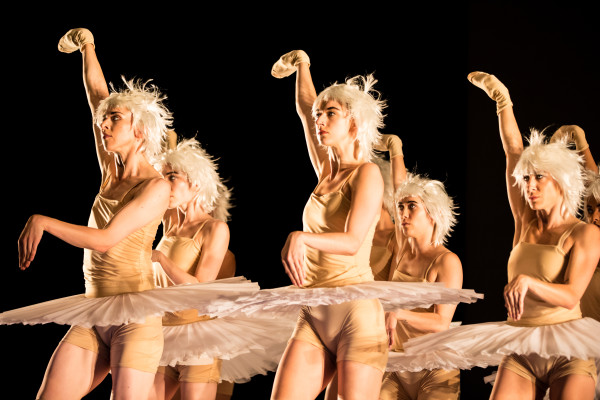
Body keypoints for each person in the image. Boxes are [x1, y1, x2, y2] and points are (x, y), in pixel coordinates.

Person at [399, 71, 600, 400]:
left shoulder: (585, 233)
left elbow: (570, 295)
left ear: (561, 181)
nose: (529, 187)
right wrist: (501, 101)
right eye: (526, 179)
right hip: (522, 344)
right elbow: (512, 151)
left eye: (538, 179)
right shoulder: (524, 220)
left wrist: (529, 282)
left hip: (567, 349)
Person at [18, 28, 173, 400]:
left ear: (138, 129)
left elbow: (105, 241)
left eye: (113, 120)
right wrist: (88, 45)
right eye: (104, 120)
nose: (103, 124)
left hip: (133, 320)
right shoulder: (111, 169)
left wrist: (43, 221)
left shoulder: (157, 187)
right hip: (94, 309)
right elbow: (96, 95)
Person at [270, 49, 389, 400]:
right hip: (314, 312)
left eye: (330, 114)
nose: (320, 120)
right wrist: (302, 64)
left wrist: (301, 238)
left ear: (353, 123)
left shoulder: (366, 173)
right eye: (319, 115)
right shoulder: (326, 172)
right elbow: (305, 110)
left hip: (356, 314)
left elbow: (352, 241)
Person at [148, 134, 234, 400]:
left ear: (196, 184)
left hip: (198, 337)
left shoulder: (215, 229)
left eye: (172, 178)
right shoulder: (171, 223)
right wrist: (170, 141)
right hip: (162, 332)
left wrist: (161, 259)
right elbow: (165, 168)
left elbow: (200, 288)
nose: (165, 184)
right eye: (165, 178)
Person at [379, 172, 463, 400]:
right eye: (401, 207)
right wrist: (395, 148)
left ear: (432, 213)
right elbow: (398, 184)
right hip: (396, 364)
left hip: (434, 368)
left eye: (412, 206)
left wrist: (399, 313)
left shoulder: (447, 261)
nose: (403, 214)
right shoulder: (401, 250)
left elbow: (441, 322)